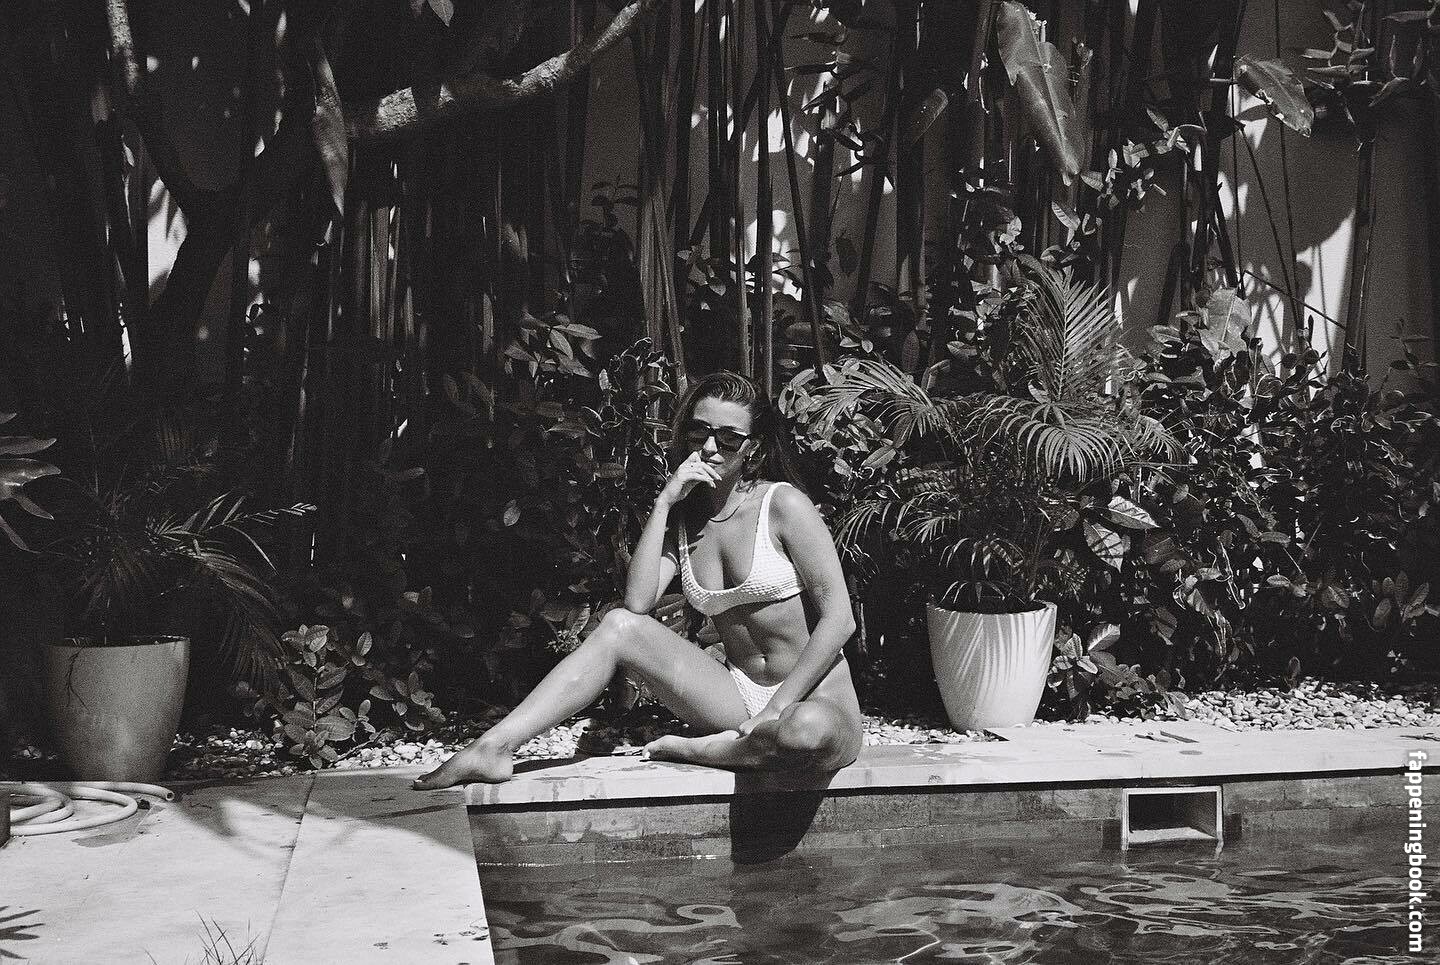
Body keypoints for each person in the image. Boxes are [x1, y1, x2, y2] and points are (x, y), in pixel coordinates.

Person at [413, 371, 864, 789]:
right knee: (618, 627)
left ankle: (697, 750)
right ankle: (494, 747)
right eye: (700, 433)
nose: (711, 447)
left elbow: (840, 620)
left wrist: (777, 708)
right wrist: (666, 501)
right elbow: (637, 604)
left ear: (754, 449)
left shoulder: (782, 505)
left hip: (813, 697)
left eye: (729, 438)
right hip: (737, 698)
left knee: (801, 734)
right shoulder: (687, 522)